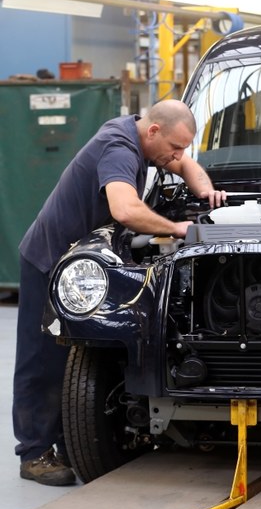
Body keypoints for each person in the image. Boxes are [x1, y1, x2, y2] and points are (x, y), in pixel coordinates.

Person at [13, 99, 226, 486]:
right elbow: (125, 209)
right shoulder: (119, 148)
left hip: (87, 261)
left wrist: (207, 192)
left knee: (79, 353)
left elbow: (184, 164)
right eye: (174, 147)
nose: (177, 156)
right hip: (51, 261)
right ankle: (34, 454)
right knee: (43, 360)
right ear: (154, 131)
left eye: (183, 147)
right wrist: (179, 229)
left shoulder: (144, 135)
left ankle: (67, 441)